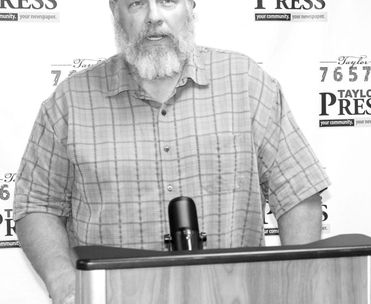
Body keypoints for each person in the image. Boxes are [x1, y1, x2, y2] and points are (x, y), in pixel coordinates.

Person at [13, 0, 329, 303]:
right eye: (136, 3)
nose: (154, 16)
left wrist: (299, 282)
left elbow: (298, 192)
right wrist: (62, 280)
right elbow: (37, 206)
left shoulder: (246, 83)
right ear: (115, 11)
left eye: (168, 1)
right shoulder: (70, 102)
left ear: (190, 5)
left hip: (234, 296)